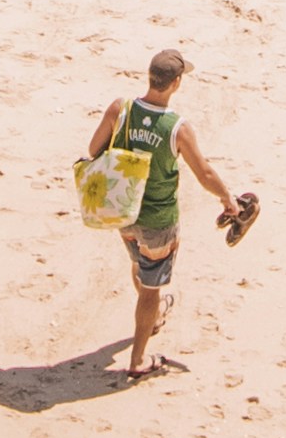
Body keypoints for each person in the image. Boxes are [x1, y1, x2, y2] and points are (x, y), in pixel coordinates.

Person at [87, 45, 241, 382]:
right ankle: (139, 358)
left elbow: (93, 149)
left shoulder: (120, 109)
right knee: (151, 288)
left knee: (137, 264)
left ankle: (152, 319)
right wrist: (228, 199)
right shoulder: (177, 127)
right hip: (158, 220)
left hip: (123, 212)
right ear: (176, 83)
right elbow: (205, 175)